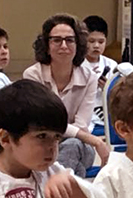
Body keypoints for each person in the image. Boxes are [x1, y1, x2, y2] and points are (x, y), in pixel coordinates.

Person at [24, 13, 109, 177]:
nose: (64, 45)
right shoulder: (33, 75)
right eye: (57, 40)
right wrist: (95, 141)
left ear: (78, 44)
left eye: (70, 40)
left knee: (72, 145)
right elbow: (43, 123)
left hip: (80, 144)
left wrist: (83, 138)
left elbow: (81, 125)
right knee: (76, 168)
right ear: (47, 45)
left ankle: (52, 186)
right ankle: (69, 185)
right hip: (42, 142)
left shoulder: (89, 78)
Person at [82, 15, 117, 135]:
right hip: (86, 118)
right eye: (91, 41)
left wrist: (108, 88)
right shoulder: (76, 65)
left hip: (106, 116)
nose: (96, 46)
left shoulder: (112, 65)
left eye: (101, 42)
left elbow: (120, 95)